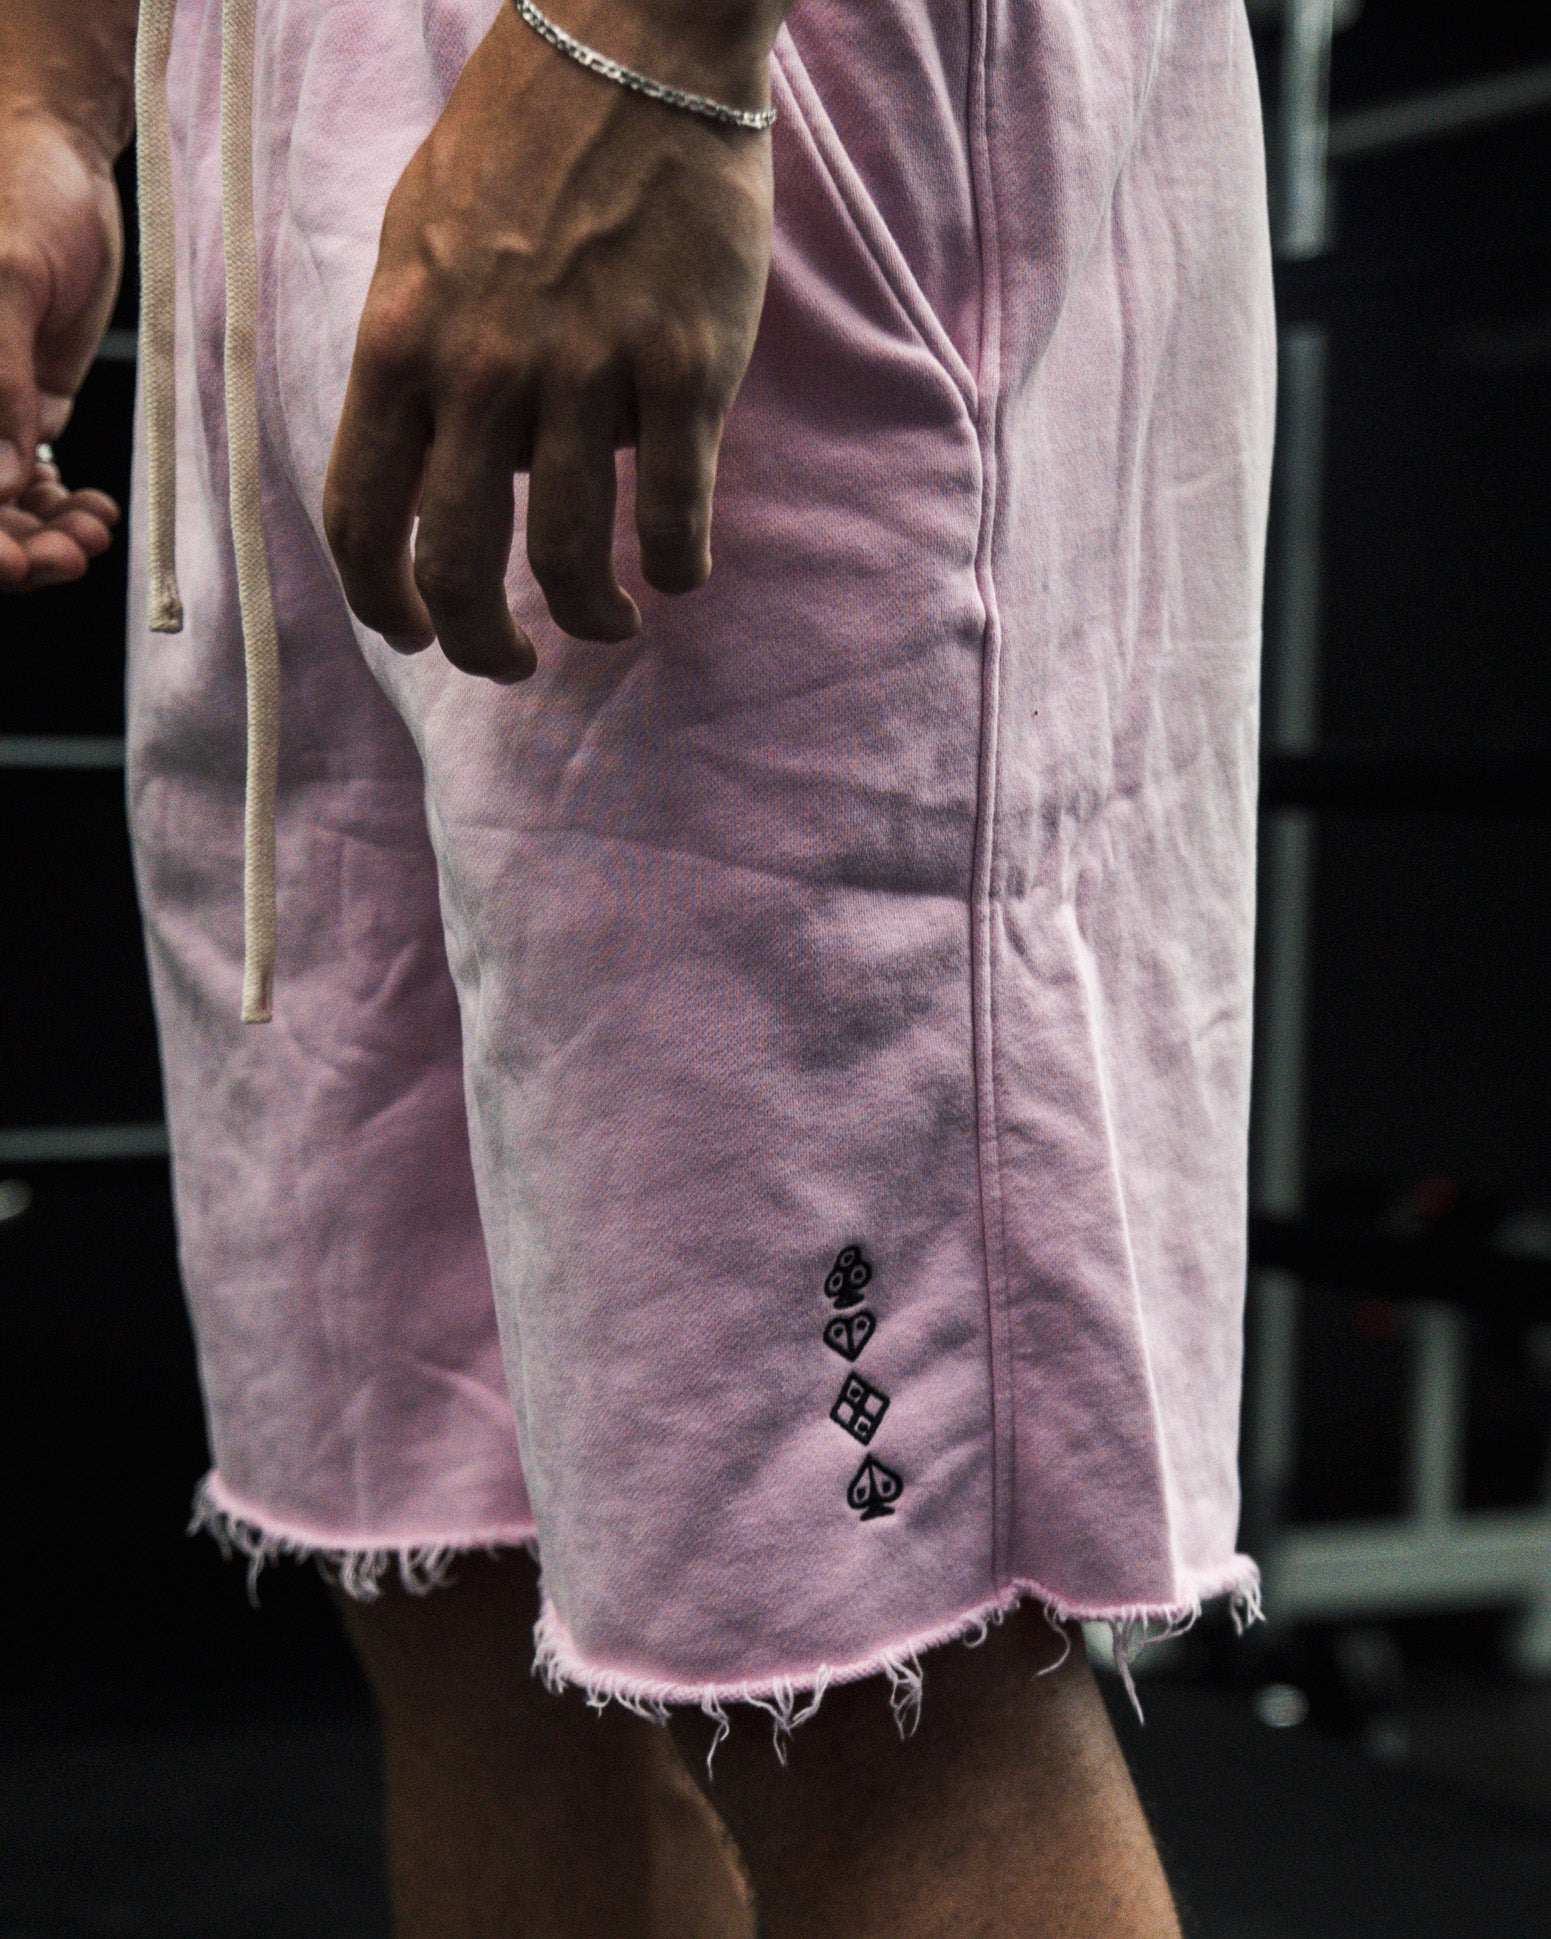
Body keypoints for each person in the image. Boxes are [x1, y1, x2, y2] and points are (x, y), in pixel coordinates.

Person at [0, 0, 1275, 1932]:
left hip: (699, 89)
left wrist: (642, 44)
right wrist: (47, 96)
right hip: (260, 112)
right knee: (455, 1561)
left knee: (860, 1663)